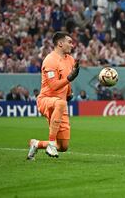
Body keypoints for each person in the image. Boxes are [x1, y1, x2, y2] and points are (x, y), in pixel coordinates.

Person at [27, 32, 80, 160]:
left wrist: (69, 93)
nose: (72, 45)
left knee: (63, 146)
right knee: (60, 103)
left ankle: (36, 143)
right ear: (60, 43)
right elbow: (53, 86)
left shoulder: (70, 59)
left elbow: (67, 81)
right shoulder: (50, 60)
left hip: (60, 103)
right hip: (46, 99)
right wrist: (69, 78)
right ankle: (51, 143)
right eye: (69, 42)